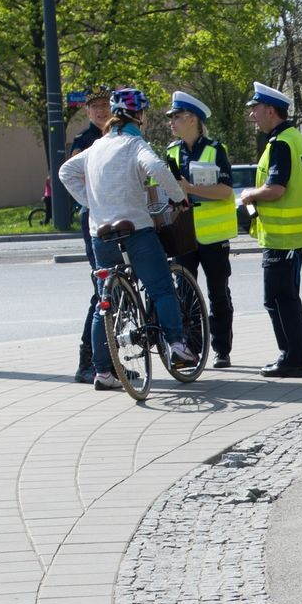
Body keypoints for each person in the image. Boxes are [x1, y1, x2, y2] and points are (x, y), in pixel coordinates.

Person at [59, 88, 199, 390]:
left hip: (101, 235)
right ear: (139, 114)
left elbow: (65, 172)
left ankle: (104, 373)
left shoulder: (95, 148)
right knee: (161, 288)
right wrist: (178, 198)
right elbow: (158, 169)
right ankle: (177, 346)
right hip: (136, 230)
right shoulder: (135, 143)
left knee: (104, 302)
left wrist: (91, 202)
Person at [239, 82, 302, 377]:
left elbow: (276, 189)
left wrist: (249, 195)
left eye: (255, 109)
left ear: (270, 110)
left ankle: (292, 358)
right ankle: (300, 356)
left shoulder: (281, 143)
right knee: (288, 299)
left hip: (282, 237)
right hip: (290, 236)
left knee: (278, 300)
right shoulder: (295, 138)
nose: (252, 115)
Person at [165, 91, 236, 369]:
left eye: (176, 117)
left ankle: (222, 349)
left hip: (213, 236)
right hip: (182, 234)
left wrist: (190, 188)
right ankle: (192, 350)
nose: (171, 122)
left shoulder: (215, 149)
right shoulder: (171, 151)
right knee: (185, 294)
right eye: (171, 117)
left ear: (193, 119)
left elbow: (226, 191)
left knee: (218, 293)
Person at [69, 84, 113, 383]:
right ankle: (89, 361)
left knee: (117, 289)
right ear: (87, 110)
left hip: (119, 217)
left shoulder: (120, 136)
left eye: (105, 104)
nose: (101, 110)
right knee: (102, 288)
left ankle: (110, 363)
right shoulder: (83, 141)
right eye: (95, 106)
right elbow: (74, 179)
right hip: (94, 218)